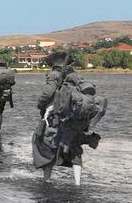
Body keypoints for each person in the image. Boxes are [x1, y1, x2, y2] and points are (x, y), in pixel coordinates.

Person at [32, 51, 107, 185]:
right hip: (75, 117)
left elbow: (47, 93)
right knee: (74, 147)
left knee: (48, 144)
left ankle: (47, 179)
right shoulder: (76, 75)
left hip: (58, 116)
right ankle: (77, 183)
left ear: (54, 63)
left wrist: (40, 104)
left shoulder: (54, 75)